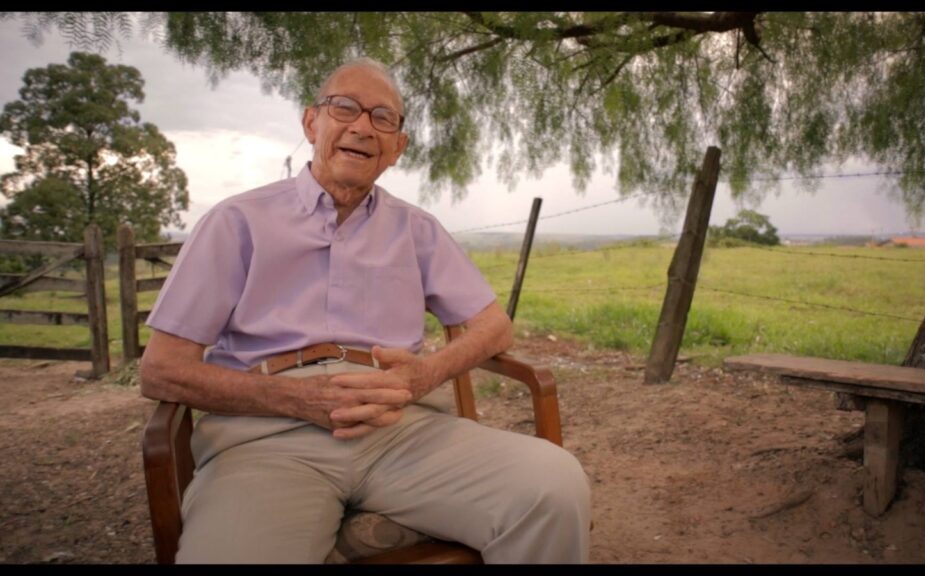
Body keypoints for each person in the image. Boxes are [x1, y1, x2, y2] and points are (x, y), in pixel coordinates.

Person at [138, 56, 590, 564]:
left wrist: (425, 375)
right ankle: (356, 530)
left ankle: (358, 532)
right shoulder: (235, 222)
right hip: (265, 439)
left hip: (403, 431)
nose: (362, 126)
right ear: (312, 122)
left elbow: (494, 326)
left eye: (383, 118)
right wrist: (295, 399)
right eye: (345, 107)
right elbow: (161, 371)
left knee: (552, 486)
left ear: (398, 147)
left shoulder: (417, 230)